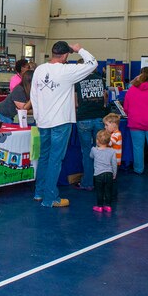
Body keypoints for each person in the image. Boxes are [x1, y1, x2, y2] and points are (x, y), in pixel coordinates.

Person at [30, 41, 97, 208]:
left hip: (43, 122)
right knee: (55, 159)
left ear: (52, 53)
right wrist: (80, 49)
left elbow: (34, 96)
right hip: (61, 121)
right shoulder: (67, 71)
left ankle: (39, 192)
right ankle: (50, 198)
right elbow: (92, 63)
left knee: (44, 157)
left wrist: (38, 118)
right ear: (66, 55)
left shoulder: (39, 69)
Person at [74, 65, 108, 190]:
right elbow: (105, 98)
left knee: (87, 151)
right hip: (99, 117)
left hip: (84, 118)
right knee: (101, 149)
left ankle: (88, 182)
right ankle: (102, 180)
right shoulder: (100, 79)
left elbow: (76, 102)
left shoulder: (78, 80)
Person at [90, 130, 118, 214]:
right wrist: (114, 173)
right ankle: (108, 206)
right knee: (108, 191)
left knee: (100, 191)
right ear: (109, 141)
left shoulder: (94, 150)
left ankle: (99, 206)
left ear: (97, 141)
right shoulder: (112, 151)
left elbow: (91, 156)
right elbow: (114, 163)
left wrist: (96, 147)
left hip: (98, 175)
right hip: (109, 174)